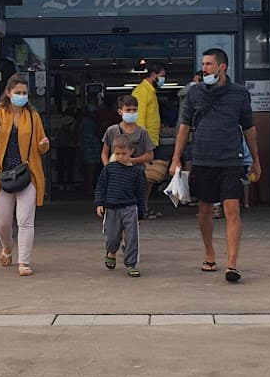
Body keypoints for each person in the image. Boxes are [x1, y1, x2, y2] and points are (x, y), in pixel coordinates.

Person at [170, 48, 259, 284]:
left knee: (232, 209)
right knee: (205, 211)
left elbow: (249, 128)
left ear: (222, 67)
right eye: (203, 64)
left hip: (231, 159)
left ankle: (232, 263)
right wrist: (176, 158)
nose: (204, 69)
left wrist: (256, 162)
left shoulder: (239, 94)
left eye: (209, 64)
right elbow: (184, 126)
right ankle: (209, 253)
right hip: (202, 159)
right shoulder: (194, 93)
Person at [0, 74, 50, 276]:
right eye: (18, 92)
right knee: (2, 223)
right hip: (2, 176)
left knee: (25, 221)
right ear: (8, 93)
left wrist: (44, 145)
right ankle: (7, 247)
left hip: (27, 174)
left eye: (24, 93)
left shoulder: (33, 116)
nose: (21, 96)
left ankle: (24, 262)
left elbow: (42, 145)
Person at [96, 134, 147, 277]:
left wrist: (141, 214)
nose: (120, 156)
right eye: (117, 153)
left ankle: (131, 264)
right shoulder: (109, 169)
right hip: (111, 208)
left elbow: (140, 194)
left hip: (130, 208)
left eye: (123, 153)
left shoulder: (137, 171)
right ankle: (111, 251)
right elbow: (101, 187)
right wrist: (99, 203)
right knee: (112, 237)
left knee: (131, 237)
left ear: (131, 151)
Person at [131, 62, 169, 217]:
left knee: (149, 178)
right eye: (162, 76)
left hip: (152, 141)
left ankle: (143, 207)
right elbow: (139, 121)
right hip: (144, 143)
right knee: (143, 178)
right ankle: (139, 208)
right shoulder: (141, 91)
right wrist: (144, 146)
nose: (163, 79)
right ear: (153, 75)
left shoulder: (151, 92)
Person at [100, 94, 154, 169]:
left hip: (136, 173)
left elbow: (150, 155)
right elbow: (104, 153)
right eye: (128, 110)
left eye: (134, 110)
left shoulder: (142, 132)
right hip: (117, 173)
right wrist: (107, 168)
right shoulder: (111, 130)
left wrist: (130, 160)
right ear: (120, 111)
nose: (131, 112)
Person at [52, 99, 77, 192]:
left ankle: (60, 183)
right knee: (70, 165)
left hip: (60, 145)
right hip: (70, 145)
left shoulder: (60, 118)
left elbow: (56, 132)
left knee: (61, 165)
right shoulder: (74, 119)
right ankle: (69, 184)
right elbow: (73, 132)